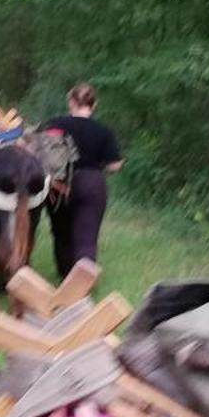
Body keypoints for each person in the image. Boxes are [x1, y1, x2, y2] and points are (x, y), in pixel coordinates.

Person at [42, 83, 123, 276]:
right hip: (91, 183)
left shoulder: (54, 124)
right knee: (86, 238)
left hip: (59, 184)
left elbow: (40, 151)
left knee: (61, 234)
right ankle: (81, 287)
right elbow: (115, 165)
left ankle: (64, 276)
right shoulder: (103, 131)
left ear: (71, 102)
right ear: (93, 105)